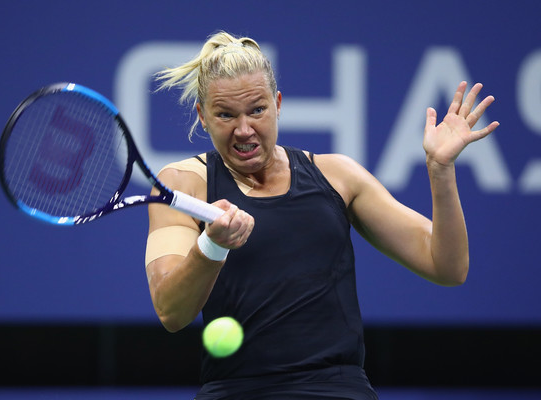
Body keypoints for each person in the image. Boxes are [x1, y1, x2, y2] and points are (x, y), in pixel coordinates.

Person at [144, 31, 499, 400]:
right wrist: (211, 246)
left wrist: (440, 171)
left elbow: (448, 267)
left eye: (257, 110)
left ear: (278, 103)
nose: (244, 129)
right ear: (203, 116)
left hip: (339, 391)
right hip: (236, 391)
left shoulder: (337, 176)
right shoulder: (182, 184)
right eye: (225, 115)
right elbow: (171, 311)